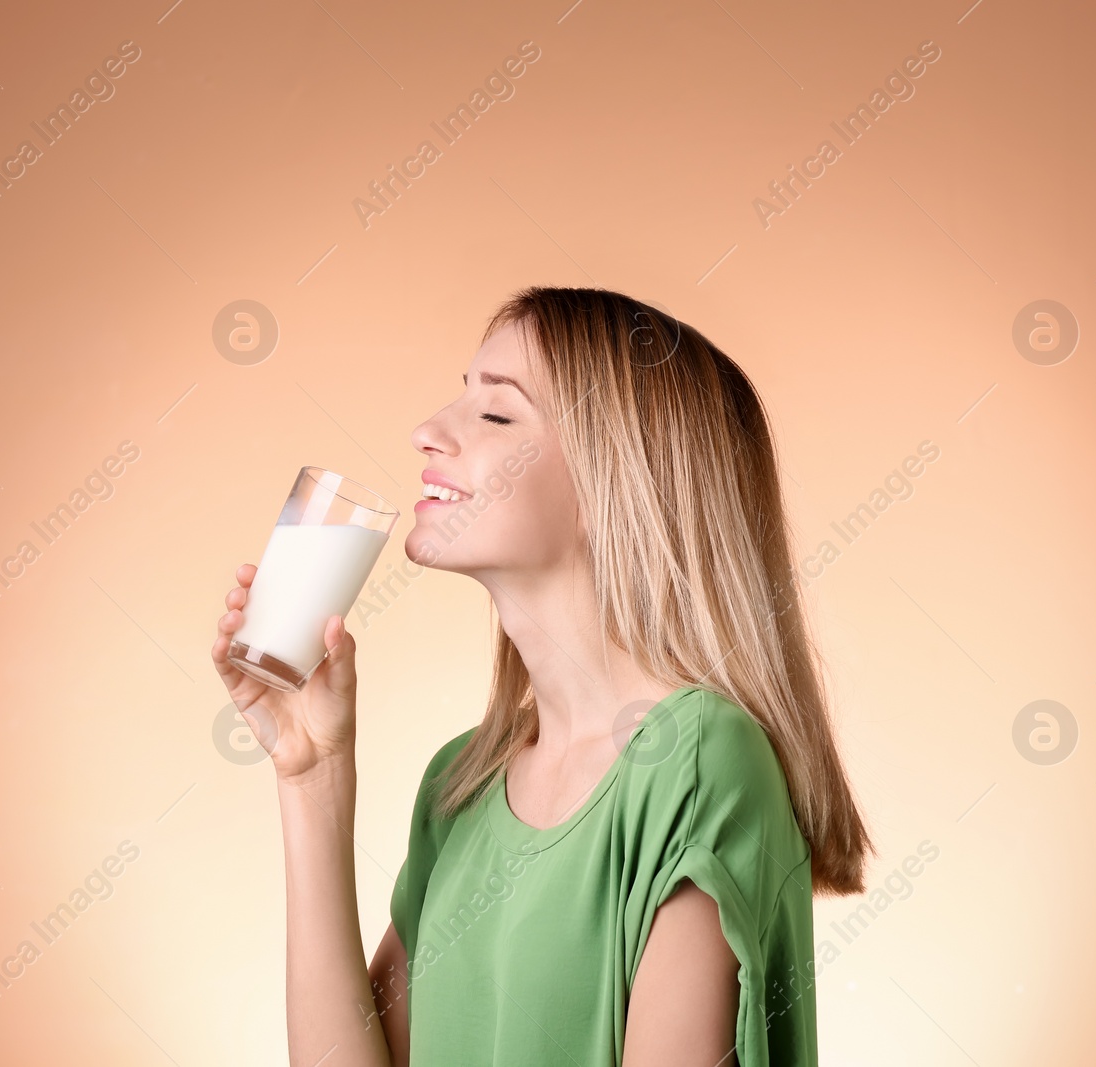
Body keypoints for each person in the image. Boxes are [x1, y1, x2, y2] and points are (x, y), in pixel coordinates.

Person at [211, 286, 873, 1066]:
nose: (427, 431)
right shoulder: (461, 784)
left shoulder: (696, 762)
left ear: (614, 482)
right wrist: (312, 780)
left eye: (497, 414)